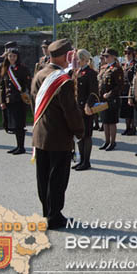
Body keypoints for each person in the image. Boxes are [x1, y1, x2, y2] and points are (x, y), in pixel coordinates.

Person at [31, 39, 84, 229]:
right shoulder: (63, 80)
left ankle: (47, 211)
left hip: (40, 134)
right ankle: (55, 217)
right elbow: (70, 111)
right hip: (59, 137)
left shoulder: (39, 74)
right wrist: (79, 131)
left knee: (43, 177)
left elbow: (33, 104)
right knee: (57, 178)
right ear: (64, 57)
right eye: (69, 55)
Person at [0, 47, 32, 155]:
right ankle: (18, 146)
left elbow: (28, 84)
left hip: (20, 100)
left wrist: (28, 95)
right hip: (10, 101)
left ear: (17, 57)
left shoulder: (23, 69)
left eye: (14, 56)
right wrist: (2, 101)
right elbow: (2, 87)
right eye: (10, 56)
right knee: (13, 125)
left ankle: (21, 147)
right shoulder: (6, 68)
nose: (12, 58)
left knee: (19, 125)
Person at [73, 49, 98, 171]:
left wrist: (88, 104)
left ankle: (86, 162)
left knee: (87, 135)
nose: (76, 61)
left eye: (78, 58)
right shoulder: (78, 72)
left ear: (83, 59)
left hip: (85, 108)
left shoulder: (91, 73)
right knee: (80, 135)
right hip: (77, 108)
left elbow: (93, 92)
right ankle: (81, 160)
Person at [97, 48, 123, 151]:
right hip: (103, 99)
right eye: (104, 56)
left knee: (111, 121)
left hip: (112, 99)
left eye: (107, 56)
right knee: (105, 121)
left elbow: (120, 86)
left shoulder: (117, 69)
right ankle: (106, 141)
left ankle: (112, 142)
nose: (105, 58)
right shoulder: (104, 68)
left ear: (113, 57)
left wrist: (110, 94)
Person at [120, 46, 137, 136]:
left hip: (131, 90)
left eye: (129, 53)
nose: (127, 55)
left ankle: (133, 128)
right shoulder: (125, 64)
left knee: (131, 110)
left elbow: (135, 78)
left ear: (133, 54)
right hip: (124, 89)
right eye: (125, 53)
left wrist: (132, 90)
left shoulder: (136, 64)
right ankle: (127, 127)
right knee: (126, 111)